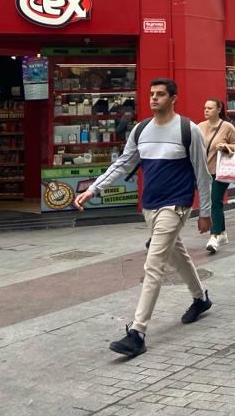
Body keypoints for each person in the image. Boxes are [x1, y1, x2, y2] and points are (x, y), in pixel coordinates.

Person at [74, 78, 213, 358]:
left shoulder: (188, 130)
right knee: (177, 255)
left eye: (160, 94)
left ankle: (137, 333)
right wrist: (93, 189)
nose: (154, 98)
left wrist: (206, 213)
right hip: (149, 206)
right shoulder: (140, 130)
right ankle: (201, 299)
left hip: (176, 206)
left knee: (153, 265)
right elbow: (122, 163)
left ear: (173, 98)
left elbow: (202, 173)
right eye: (151, 94)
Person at [198, 98, 235, 254]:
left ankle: (214, 237)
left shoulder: (227, 127)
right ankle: (222, 233)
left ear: (218, 109)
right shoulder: (199, 127)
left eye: (210, 108)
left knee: (214, 202)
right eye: (205, 108)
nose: (206, 110)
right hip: (205, 171)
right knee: (215, 202)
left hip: (221, 170)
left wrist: (226, 146)